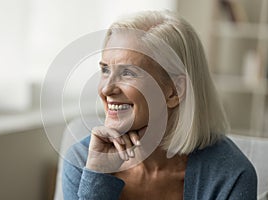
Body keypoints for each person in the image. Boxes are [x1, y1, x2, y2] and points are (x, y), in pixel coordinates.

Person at [62, 10, 257, 200]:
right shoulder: (83, 160)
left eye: (128, 73)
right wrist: (98, 177)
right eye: (105, 70)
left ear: (174, 90)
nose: (105, 89)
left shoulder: (231, 175)